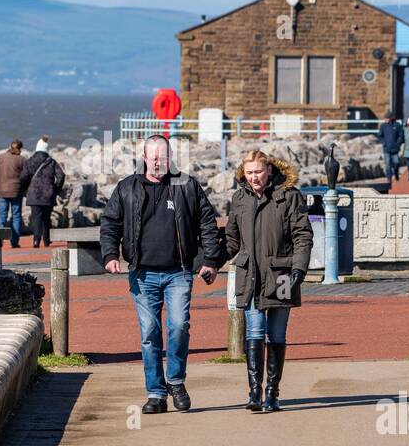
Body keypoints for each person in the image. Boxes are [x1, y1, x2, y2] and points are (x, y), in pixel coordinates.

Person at [100, 135, 222, 414]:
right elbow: (110, 223)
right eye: (153, 157)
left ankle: (176, 381)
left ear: (170, 157)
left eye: (163, 157)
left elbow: (207, 223)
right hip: (142, 274)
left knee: (179, 326)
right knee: (150, 332)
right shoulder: (126, 188)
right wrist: (110, 256)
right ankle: (156, 393)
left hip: (178, 272)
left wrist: (211, 260)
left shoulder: (186, 185)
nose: (157, 162)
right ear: (144, 157)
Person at [224, 151, 313, 412]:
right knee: (253, 331)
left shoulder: (289, 196)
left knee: (276, 334)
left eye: (258, 172)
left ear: (269, 171)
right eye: (249, 173)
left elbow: (302, 235)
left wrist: (299, 268)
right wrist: (208, 260)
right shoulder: (239, 199)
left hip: (283, 275)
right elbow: (231, 240)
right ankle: (254, 392)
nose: (254, 177)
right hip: (250, 274)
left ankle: (273, 393)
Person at [21, 137, 65, 248]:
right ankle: (47, 240)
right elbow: (61, 176)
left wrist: (26, 190)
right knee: (46, 218)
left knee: (36, 218)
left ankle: (36, 240)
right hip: (48, 195)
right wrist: (56, 189)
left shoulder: (30, 161)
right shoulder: (51, 161)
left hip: (34, 195)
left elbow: (23, 177)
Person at [0, 140, 26, 248]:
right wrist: (22, 187)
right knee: (16, 216)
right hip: (16, 191)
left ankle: (0, 242)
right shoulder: (21, 160)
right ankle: (15, 242)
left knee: (2, 216)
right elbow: (27, 176)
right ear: (20, 148)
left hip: (2, 191)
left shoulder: (0, 157)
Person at [377, 114, 404, 185]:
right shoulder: (383, 126)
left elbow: (401, 135)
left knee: (396, 162)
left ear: (391, 118)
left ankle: (396, 174)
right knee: (388, 164)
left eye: (387, 118)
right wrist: (383, 142)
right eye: (385, 118)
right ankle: (389, 179)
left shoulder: (397, 125)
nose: (385, 120)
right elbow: (380, 135)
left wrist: (398, 143)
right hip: (387, 149)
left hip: (395, 149)